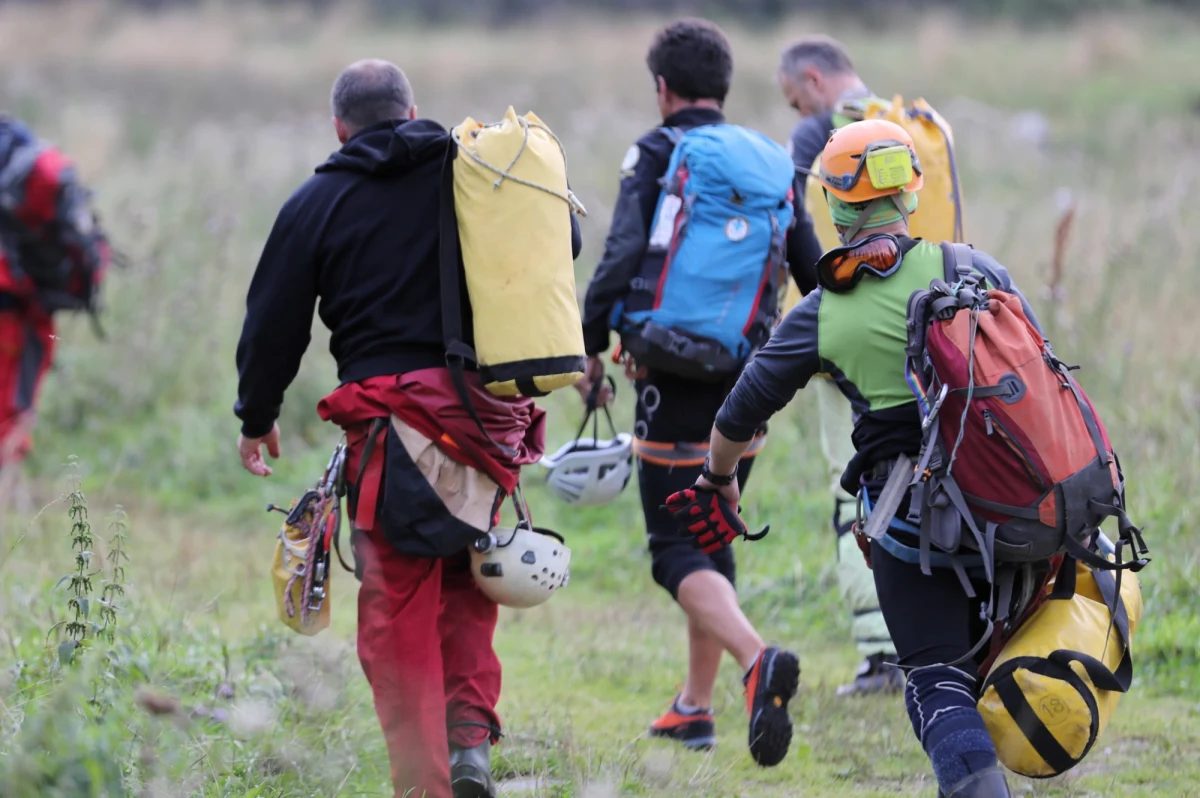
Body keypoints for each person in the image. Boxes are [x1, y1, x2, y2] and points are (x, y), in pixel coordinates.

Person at [234, 59, 580, 798]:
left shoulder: (317, 201)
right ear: (413, 111)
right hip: (485, 421)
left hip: (393, 431)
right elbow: (561, 243)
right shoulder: (478, 173)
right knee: (467, 582)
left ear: (340, 128)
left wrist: (256, 417)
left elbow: (271, 325)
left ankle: (424, 783)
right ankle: (469, 742)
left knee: (397, 610)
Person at [679, 120, 1037, 796]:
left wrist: (718, 478)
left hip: (915, 531)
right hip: (1016, 514)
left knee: (935, 683)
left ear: (836, 207)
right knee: (984, 669)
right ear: (910, 194)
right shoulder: (974, 268)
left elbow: (739, 412)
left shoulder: (825, 311)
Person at [579, 18, 808, 766]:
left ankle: (755, 659)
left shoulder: (657, 152)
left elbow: (622, 252)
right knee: (711, 532)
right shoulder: (771, 160)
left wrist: (589, 343)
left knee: (674, 546)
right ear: (723, 87)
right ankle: (694, 708)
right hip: (750, 375)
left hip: (670, 376)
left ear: (662, 88)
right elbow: (810, 264)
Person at [776, 35, 900, 694]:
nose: (797, 110)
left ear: (814, 80)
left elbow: (791, 223)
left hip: (845, 331)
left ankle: (881, 654)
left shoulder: (816, 134)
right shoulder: (906, 126)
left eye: (795, 98)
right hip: (921, 327)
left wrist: (811, 316)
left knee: (852, 488)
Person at [0, 115, 110, 481]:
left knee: (9, 423)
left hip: (17, 314)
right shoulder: (21, 163)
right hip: (20, 318)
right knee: (11, 421)